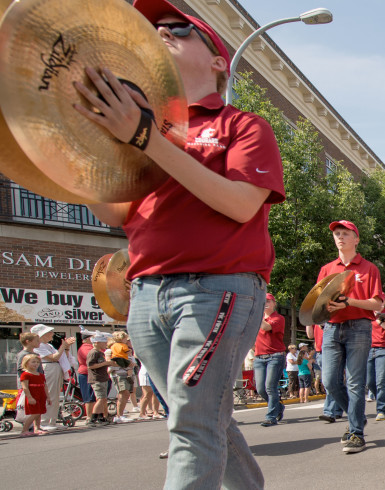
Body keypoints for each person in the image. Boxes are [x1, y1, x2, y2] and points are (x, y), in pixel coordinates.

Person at [79, 0, 286, 484]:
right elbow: (114, 212)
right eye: (153, 31)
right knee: (203, 419)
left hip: (218, 287)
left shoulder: (242, 125)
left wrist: (145, 137)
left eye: (177, 28)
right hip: (146, 291)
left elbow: (240, 204)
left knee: (191, 422)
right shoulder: (137, 128)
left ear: (218, 62)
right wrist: (84, 149)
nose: (160, 33)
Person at [317, 219, 385, 453]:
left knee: (355, 382)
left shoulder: (368, 268)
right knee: (329, 381)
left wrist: (350, 302)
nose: (340, 237)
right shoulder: (327, 269)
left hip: (359, 327)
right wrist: (327, 308)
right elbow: (318, 304)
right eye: (337, 233)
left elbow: (377, 303)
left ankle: (356, 433)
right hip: (332, 328)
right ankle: (357, 417)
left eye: (345, 233)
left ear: (356, 239)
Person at [31, 324, 75, 430]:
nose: (52, 334)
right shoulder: (39, 346)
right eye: (49, 333)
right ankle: (44, 421)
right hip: (49, 368)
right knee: (49, 395)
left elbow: (61, 355)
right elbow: (53, 357)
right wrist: (63, 346)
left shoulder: (48, 346)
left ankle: (52, 421)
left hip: (54, 369)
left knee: (54, 396)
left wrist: (66, 347)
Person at [253, 293, 286, 427]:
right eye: (263, 301)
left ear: (274, 303)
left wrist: (256, 314)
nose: (265, 303)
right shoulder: (258, 319)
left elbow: (266, 327)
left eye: (268, 301)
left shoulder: (278, 318)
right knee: (260, 389)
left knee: (270, 387)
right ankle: (278, 406)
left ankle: (271, 417)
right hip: (259, 357)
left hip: (275, 356)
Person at [366, 309, 385, 421]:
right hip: (368, 349)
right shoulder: (366, 313)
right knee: (369, 381)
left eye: (382, 301)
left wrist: (378, 317)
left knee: (381, 380)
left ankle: (382, 410)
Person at [85, 333, 114, 426]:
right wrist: (105, 363)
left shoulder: (100, 352)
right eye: (103, 342)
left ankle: (100, 417)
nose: (105, 343)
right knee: (101, 398)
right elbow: (90, 366)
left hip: (103, 377)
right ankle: (92, 418)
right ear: (96, 342)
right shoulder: (93, 353)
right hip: (97, 379)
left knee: (103, 398)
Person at [16, 354, 47, 437]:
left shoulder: (40, 375)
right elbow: (25, 387)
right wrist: (29, 397)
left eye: (37, 362)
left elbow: (45, 386)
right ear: (26, 363)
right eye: (33, 362)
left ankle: (37, 428)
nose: (36, 364)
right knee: (35, 413)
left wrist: (48, 396)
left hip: (41, 395)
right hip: (33, 395)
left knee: (39, 412)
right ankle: (24, 429)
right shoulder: (25, 375)